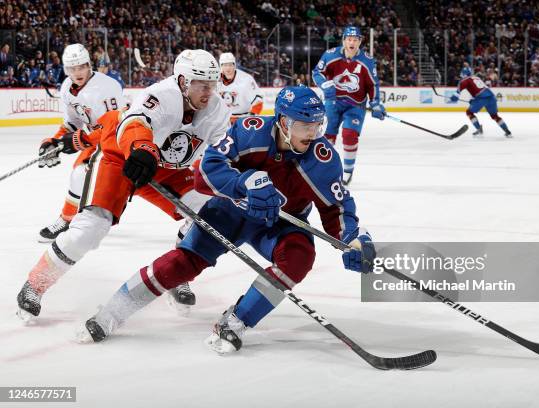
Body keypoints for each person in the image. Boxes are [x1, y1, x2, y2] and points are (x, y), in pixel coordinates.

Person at [77, 86, 376, 353]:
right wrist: (242, 183)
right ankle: (112, 312)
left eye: (316, 124)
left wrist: (351, 239)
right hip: (231, 211)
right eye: (303, 125)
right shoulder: (249, 131)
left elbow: (337, 208)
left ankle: (236, 321)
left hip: (282, 224)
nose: (312, 133)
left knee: (299, 257)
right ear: (283, 121)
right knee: (184, 262)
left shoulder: (322, 159)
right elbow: (205, 173)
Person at [17, 49, 231, 322]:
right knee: (91, 228)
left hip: (167, 170)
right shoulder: (161, 95)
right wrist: (140, 148)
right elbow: (134, 122)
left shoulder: (217, 111)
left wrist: (233, 182)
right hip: (121, 158)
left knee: (207, 214)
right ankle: (35, 285)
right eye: (201, 84)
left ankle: (178, 274)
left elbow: (223, 153)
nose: (208, 91)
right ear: (182, 81)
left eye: (212, 84)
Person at [37, 44, 126, 243]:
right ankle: (72, 218)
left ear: (88, 65)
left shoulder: (107, 87)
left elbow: (115, 127)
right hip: (96, 140)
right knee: (80, 173)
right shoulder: (67, 87)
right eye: (71, 68)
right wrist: (53, 141)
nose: (77, 73)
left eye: (81, 67)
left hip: (118, 140)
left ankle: (69, 219)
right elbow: (72, 122)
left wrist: (79, 140)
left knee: (82, 173)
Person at [312, 25, 386, 185]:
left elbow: (373, 85)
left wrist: (375, 103)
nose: (352, 42)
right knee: (327, 136)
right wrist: (324, 85)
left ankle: (348, 171)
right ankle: (324, 169)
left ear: (360, 42)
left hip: (355, 106)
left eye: (355, 40)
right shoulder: (331, 55)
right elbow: (316, 73)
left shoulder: (367, 60)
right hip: (333, 103)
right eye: (349, 39)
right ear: (344, 40)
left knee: (349, 135)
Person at [450, 73, 512, 138]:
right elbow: (476, 88)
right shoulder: (476, 78)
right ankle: (507, 131)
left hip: (481, 98)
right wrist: (472, 100)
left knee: (469, 112)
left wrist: (455, 95)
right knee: (495, 116)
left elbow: (459, 89)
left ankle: (479, 129)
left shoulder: (464, 80)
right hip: (492, 97)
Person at [218, 52, 263, 123]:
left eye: (230, 65)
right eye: (225, 65)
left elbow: (258, 99)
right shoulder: (215, 80)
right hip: (222, 120)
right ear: (221, 66)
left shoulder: (246, 79)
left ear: (234, 65)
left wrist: (252, 117)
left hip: (243, 119)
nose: (228, 68)